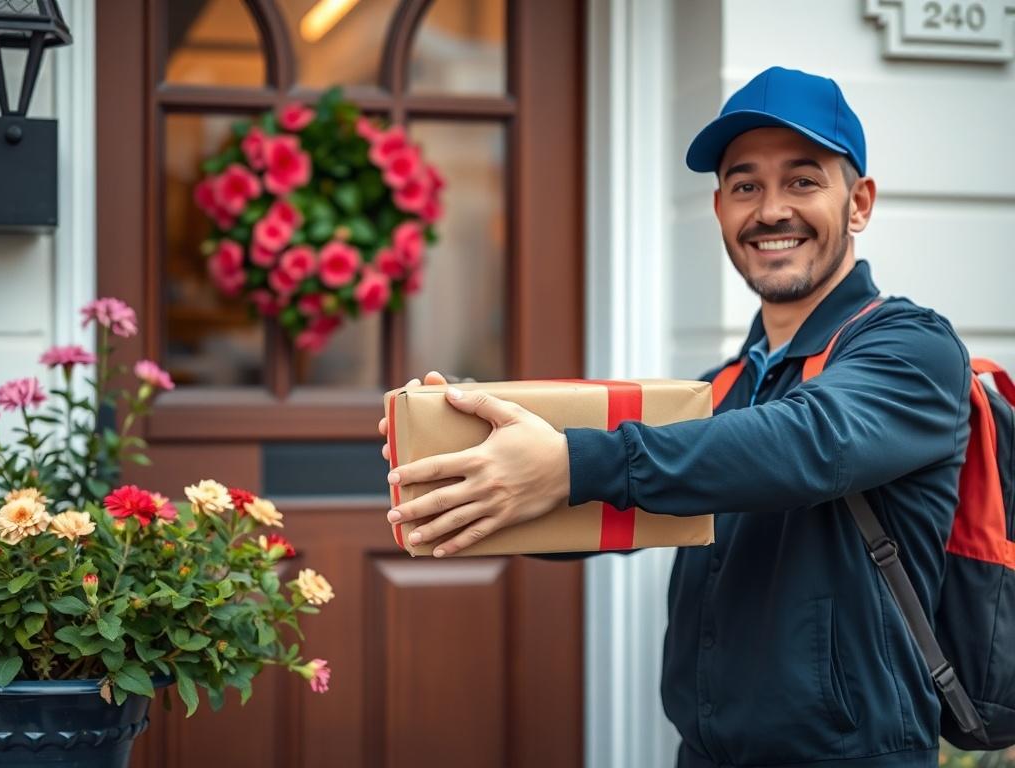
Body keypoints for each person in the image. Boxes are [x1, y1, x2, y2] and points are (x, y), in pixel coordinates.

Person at [377, 67, 971, 768]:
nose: (771, 209)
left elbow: (810, 442)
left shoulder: (912, 347)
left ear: (859, 202)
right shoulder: (720, 388)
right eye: (746, 185)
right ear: (719, 208)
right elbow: (617, 503)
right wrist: (482, 462)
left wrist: (574, 462)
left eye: (803, 181)